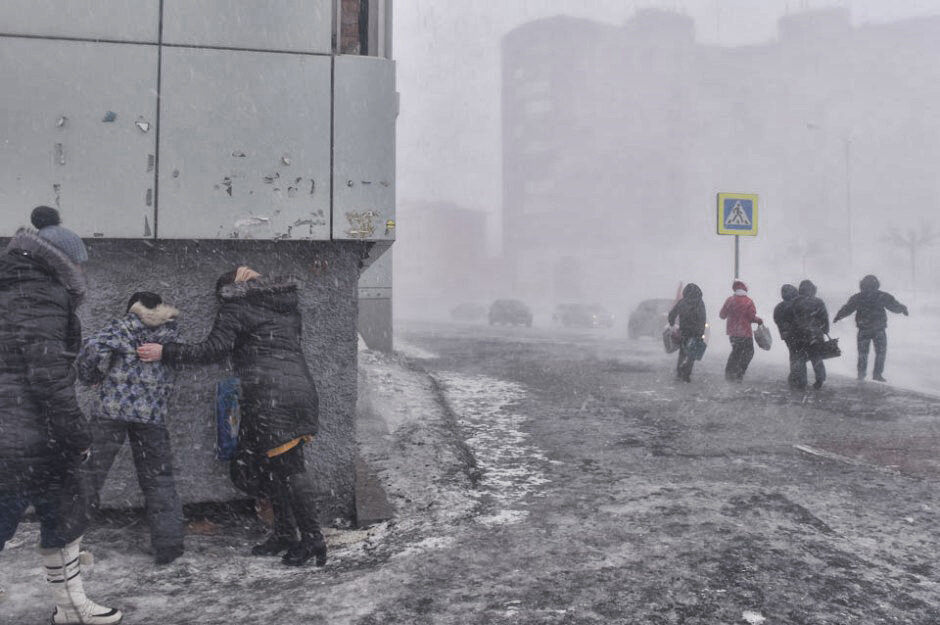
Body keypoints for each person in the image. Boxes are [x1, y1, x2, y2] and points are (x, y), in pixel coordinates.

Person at [137, 266, 326, 567]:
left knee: (289, 469)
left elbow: (213, 349)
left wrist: (166, 351)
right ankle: (287, 533)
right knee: (275, 469)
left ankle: (313, 539)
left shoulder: (236, 307)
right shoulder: (286, 306)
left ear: (228, 291)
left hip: (270, 395)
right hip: (297, 390)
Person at [0, 207, 123, 625]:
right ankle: (71, 608)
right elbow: (49, 377)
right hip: (26, 436)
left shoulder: (14, 286)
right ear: (62, 262)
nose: (84, 270)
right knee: (44, 512)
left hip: (22, 432)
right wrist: (79, 436)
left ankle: (72, 607)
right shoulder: (39, 296)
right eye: (81, 263)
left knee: (64, 512)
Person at [76, 291, 185, 565]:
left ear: (132, 309)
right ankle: (168, 545)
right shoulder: (172, 335)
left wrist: (93, 377)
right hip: (151, 415)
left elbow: (89, 351)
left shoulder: (123, 326)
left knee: (89, 474)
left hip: (111, 411)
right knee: (159, 479)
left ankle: (67, 538)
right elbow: (181, 361)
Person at [833, 274, 909, 382]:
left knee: (863, 353)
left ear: (862, 285)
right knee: (880, 353)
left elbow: (848, 308)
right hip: (879, 329)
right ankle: (877, 374)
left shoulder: (858, 297)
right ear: (876, 284)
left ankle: (861, 374)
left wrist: (838, 316)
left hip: (864, 329)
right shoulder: (882, 296)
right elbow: (893, 305)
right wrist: (903, 309)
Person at [718, 280, 763, 382]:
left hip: (733, 333)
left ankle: (729, 374)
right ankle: (739, 372)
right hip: (745, 333)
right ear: (745, 289)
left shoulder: (729, 300)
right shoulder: (748, 301)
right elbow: (751, 317)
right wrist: (759, 320)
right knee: (749, 352)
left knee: (735, 352)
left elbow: (722, 315)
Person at [790, 279, 830, 390]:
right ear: (812, 290)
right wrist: (825, 329)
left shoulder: (794, 302)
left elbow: (790, 318)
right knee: (816, 357)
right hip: (815, 335)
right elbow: (824, 317)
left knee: (800, 358)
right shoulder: (818, 302)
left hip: (799, 334)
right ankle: (820, 379)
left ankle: (802, 381)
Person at [667, 283, 707, 382]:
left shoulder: (682, 302)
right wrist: (701, 333)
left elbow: (672, 314)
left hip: (684, 331)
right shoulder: (700, 303)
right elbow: (703, 318)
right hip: (696, 332)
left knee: (683, 351)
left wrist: (672, 323)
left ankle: (679, 372)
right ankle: (686, 374)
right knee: (692, 354)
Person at [773, 284, 801, 389]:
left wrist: (784, 331)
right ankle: (797, 378)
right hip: (797, 334)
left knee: (793, 354)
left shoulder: (779, 307)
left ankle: (795, 376)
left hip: (787, 336)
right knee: (799, 355)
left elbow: (777, 320)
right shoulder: (795, 305)